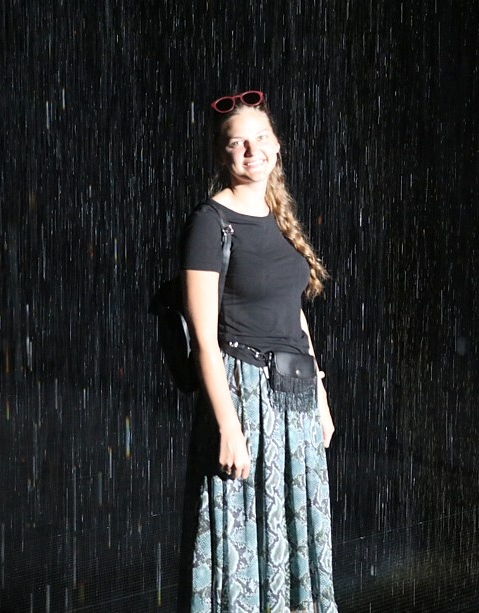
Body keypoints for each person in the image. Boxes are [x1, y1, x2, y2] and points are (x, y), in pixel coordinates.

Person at [177, 90, 338, 611]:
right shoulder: (210, 222)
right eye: (237, 142)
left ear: (276, 147)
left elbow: (295, 316)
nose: (252, 150)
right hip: (245, 395)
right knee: (245, 527)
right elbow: (204, 338)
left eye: (260, 138)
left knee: (294, 526)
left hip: (296, 397)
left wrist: (322, 399)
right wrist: (228, 427)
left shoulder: (278, 216)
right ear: (221, 154)